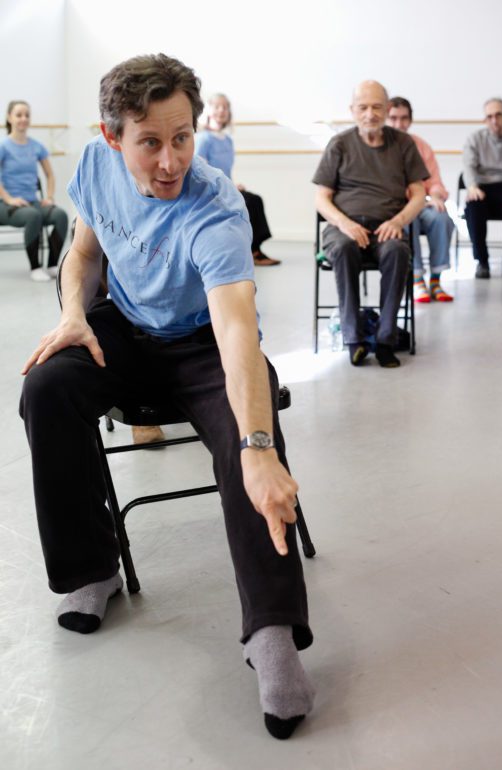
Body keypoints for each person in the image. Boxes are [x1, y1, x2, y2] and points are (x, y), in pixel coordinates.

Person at [19, 54, 314, 740]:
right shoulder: (94, 167)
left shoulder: (214, 207)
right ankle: (93, 570)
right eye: (149, 141)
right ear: (111, 135)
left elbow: (236, 327)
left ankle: (271, 633)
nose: (170, 159)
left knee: (247, 436)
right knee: (48, 385)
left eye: (181, 137)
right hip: (125, 329)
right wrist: (72, 314)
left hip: (204, 345)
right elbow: (85, 254)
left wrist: (259, 447)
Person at [313, 80, 428, 368]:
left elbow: (419, 194)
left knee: (398, 251)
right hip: (344, 228)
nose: (370, 114)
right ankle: (354, 340)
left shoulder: (403, 144)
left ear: (388, 109)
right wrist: (344, 223)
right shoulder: (339, 144)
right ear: (352, 111)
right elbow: (321, 198)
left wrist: (399, 220)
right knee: (342, 249)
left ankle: (386, 340)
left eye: (377, 107)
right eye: (363, 107)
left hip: (387, 226)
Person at [195, 93, 280, 266]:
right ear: (209, 110)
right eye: (217, 106)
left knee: (255, 200)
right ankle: (250, 251)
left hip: (226, 187)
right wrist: (229, 186)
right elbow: (201, 171)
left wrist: (233, 185)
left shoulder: (227, 140)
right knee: (250, 201)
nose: (221, 110)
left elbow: (226, 171)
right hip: (211, 191)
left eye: (225, 107)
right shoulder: (204, 139)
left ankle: (254, 250)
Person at [387, 97, 454, 303]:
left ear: (411, 119)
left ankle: (435, 279)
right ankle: (416, 278)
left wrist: (434, 196)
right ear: (386, 119)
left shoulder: (421, 146)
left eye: (404, 118)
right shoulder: (382, 146)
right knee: (409, 221)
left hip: (424, 203)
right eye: (394, 118)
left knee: (442, 218)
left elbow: (434, 181)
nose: (399, 124)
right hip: (397, 208)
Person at [0, 100, 68, 281]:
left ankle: (53, 264)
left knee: (60, 215)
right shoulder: (3, 146)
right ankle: (35, 267)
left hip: (32, 202)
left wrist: (50, 197)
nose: (23, 119)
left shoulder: (36, 146)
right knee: (33, 216)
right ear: (9, 117)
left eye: (26, 115)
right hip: (6, 205)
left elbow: (50, 175)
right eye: (19, 115)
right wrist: (8, 199)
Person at [463, 98, 502, 279]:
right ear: (485, 120)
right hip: (481, 188)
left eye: (498, 115)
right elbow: (468, 167)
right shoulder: (475, 139)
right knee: (473, 207)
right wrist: (472, 187)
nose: (494, 120)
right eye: (489, 116)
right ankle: (482, 262)